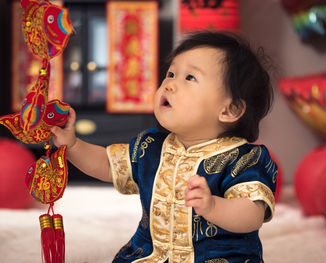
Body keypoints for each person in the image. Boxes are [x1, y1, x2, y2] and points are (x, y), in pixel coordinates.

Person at [51, 31, 278, 263]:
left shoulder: (243, 159)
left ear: (229, 110)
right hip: (150, 254)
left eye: (189, 78)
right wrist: (73, 145)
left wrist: (213, 206)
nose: (169, 84)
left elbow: (253, 214)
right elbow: (107, 165)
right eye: (171, 74)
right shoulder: (151, 146)